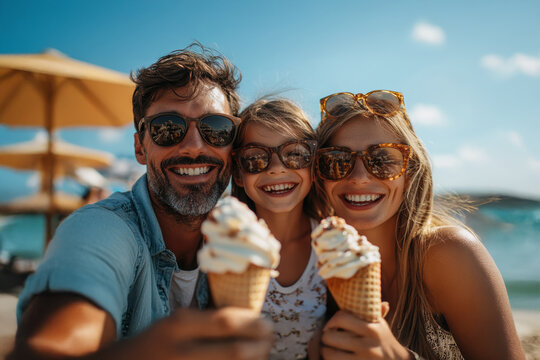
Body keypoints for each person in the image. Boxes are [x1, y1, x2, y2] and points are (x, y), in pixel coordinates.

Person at [9, 44, 273, 360]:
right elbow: (51, 346)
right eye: (167, 128)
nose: (193, 146)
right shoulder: (102, 228)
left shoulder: (254, 235)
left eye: (216, 128)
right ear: (140, 147)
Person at [311, 91, 525, 359]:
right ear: (320, 176)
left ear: (410, 173)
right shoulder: (316, 267)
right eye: (337, 161)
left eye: (382, 160)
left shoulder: (449, 253)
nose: (360, 177)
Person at [231, 98, 326, 359]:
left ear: (313, 162)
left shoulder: (333, 244)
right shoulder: (222, 247)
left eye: (295, 153)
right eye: (255, 158)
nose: (276, 169)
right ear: (238, 174)